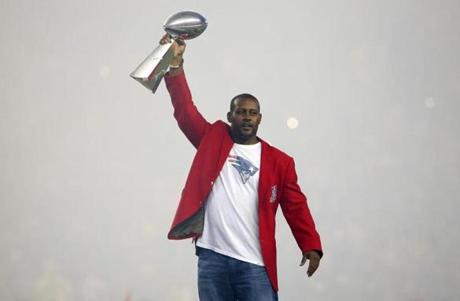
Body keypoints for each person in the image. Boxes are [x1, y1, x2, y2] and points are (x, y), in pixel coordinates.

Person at [159, 34, 323, 301]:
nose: (247, 116)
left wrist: (310, 244)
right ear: (229, 116)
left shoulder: (280, 162)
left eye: (252, 112)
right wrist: (175, 65)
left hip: (255, 264)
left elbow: (296, 206)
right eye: (241, 111)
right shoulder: (213, 139)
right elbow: (185, 112)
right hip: (213, 259)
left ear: (260, 118)